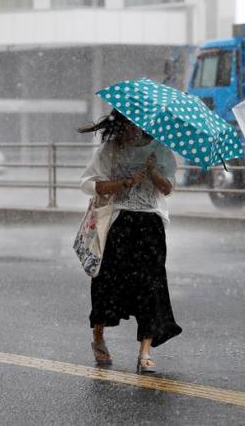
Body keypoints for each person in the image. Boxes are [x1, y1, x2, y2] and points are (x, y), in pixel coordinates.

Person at [77, 109, 182, 373]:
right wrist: (124, 182)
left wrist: (152, 173)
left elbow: (167, 188)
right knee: (106, 283)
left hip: (150, 225)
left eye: (134, 125)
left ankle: (144, 352)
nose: (130, 130)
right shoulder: (110, 149)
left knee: (151, 285)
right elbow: (92, 185)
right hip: (118, 223)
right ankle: (98, 337)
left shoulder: (160, 149)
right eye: (125, 125)